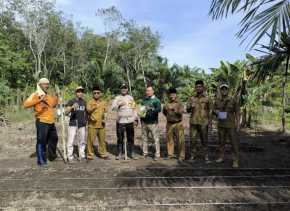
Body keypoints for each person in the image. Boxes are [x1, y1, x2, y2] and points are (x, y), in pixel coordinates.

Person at [23, 78, 58, 167]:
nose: (47, 86)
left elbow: (53, 105)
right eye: (45, 84)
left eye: (47, 84)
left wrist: (56, 96)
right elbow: (25, 104)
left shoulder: (48, 95)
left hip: (51, 121)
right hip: (41, 121)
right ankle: (41, 161)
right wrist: (39, 100)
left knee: (54, 139)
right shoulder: (35, 94)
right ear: (40, 85)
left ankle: (51, 156)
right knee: (41, 141)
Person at [214, 84, 240, 168]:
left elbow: (237, 112)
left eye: (225, 89)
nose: (224, 90)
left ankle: (235, 160)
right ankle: (221, 157)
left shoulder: (232, 100)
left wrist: (238, 124)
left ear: (228, 90)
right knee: (221, 142)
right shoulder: (217, 100)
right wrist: (216, 111)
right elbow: (214, 110)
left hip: (231, 125)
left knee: (233, 143)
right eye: (222, 89)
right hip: (221, 125)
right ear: (220, 90)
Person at [187, 80, 212, 163]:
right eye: (197, 87)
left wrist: (210, 122)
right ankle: (192, 156)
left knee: (204, 140)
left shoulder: (207, 98)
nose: (198, 88)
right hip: (193, 122)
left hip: (204, 123)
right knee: (193, 140)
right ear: (195, 88)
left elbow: (210, 110)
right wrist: (191, 106)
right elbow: (187, 110)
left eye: (200, 86)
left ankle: (206, 156)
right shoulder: (191, 98)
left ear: (203, 88)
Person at [111, 83, 139, 160]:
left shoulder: (131, 98)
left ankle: (132, 153)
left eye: (125, 88)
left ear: (127, 89)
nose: (124, 89)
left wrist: (136, 118)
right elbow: (112, 108)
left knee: (130, 138)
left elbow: (134, 108)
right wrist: (119, 104)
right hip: (120, 121)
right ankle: (120, 153)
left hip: (130, 120)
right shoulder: (117, 98)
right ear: (120, 89)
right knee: (120, 138)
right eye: (122, 88)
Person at [86, 85, 110, 160]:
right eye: (95, 93)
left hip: (101, 125)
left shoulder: (103, 102)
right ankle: (90, 155)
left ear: (100, 94)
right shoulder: (90, 102)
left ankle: (102, 154)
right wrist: (94, 107)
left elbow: (106, 111)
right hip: (92, 124)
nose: (96, 94)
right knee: (90, 141)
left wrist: (104, 118)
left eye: (98, 93)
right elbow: (88, 110)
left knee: (102, 141)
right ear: (92, 94)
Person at [65, 86, 87, 163]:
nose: (80, 93)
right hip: (73, 123)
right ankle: (70, 157)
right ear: (75, 92)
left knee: (82, 141)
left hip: (82, 124)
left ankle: (82, 155)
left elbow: (86, 113)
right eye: (78, 91)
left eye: (81, 91)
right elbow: (66, 112)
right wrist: (71, 107)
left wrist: (85, 121)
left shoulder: (84, 102)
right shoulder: (71, 101)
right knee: (70, 141)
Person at [140, 86, 161, 161]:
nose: (148, 92)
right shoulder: (144, 100)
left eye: (149, 91)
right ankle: (145, 153)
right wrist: (141, 118)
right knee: (144, 138)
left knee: (155, 139)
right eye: (147, 91)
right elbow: (141, 111)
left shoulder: (156, 100)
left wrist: (152, 109)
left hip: (153, 123)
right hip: (144, 122)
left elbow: (159, 109)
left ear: (153, 91)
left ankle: (157, 154)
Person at [163, 88, 185, 161]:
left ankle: (181, 156)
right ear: (169, 95)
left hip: (178, 123)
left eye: (173, 94)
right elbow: (164, 112)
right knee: (169, 140)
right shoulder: (167, 104)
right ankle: (170, 154)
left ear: (176, 95)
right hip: (169, 124)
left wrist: (176, 110)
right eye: (170, 94)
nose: (172, 95)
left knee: (180, 140)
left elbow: (182, 112)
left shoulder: (179, 103)